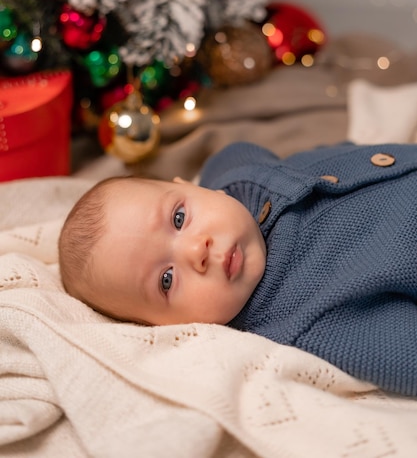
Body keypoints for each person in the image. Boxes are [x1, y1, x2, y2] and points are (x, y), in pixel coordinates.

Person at [59, 140, 417, 396]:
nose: (197, 250)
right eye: (166, 280)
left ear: (188, 186)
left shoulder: (234, 176)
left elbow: (231, 152)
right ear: (167, 328)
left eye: (179, 218)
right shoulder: (306, 323)